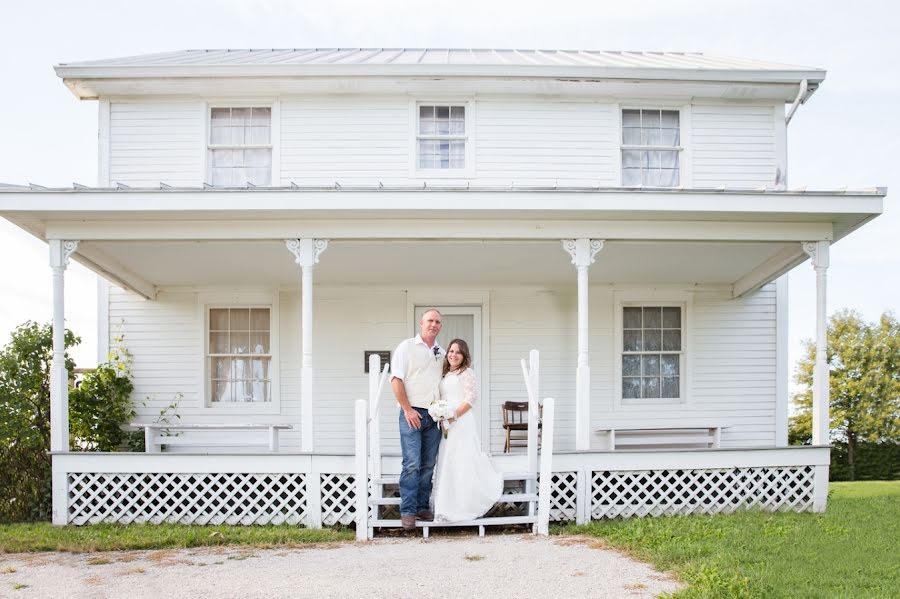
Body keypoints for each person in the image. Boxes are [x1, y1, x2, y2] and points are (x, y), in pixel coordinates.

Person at [431, 338, 503, 523]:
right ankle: (446, 506)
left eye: (458, 352)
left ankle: (464, 505)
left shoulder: (467, 373)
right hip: (446, 423)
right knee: (448, 459)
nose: (453, 355)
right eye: (451, 351)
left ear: (464, 356)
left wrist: (452, 416)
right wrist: (440, 414)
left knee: (461, 459)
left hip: (461, 421)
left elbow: (470, 399)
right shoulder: (445, 374)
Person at [390, 309, 444, 530]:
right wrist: (407, 409)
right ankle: (408, 510)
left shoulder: (441, 352)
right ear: (421, 323)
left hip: (434, 415)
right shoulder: (406, 347)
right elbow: (395, 379)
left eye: (437, 322)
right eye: (430, 320)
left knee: (428, 464)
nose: (433, 324)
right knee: (412, 463)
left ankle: (422, 507)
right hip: (412, 413)